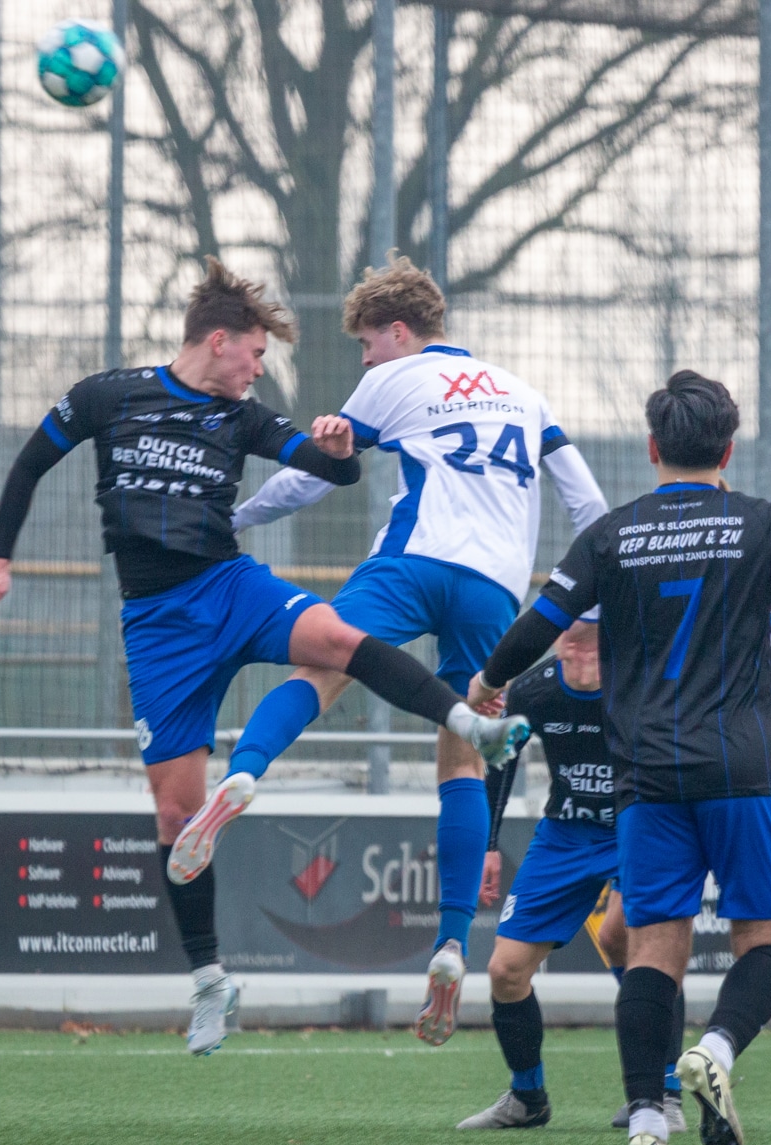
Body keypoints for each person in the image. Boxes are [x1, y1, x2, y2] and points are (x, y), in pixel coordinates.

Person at [0, 256, 527, 1059]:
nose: (259, 369)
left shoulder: (244, 417)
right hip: (157, 625)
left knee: (338, 640)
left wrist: (337, 448)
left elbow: (328, 468)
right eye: (256, 354)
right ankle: (210, 982)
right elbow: (28, 464)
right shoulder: (106, 396)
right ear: (219, 340)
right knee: (174, 815)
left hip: (232, 588)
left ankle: (468, 722)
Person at [469, 370, 771, 1145]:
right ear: (728, 449)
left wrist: (487, 680)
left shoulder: (611, 535)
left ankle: (647, 1126)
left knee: (651, 949)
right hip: (745, 767)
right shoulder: (760, 522)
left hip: (647, 775)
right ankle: (715, 1049)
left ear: (652, 447)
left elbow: (537, 626)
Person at [191, 252, 608, 1045]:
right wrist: (589, 600)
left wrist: (236, 519)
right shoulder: (525, 394)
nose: (363, 361)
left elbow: (314, 475)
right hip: (494, 589)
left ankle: (243, 774)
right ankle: (449, 944)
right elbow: (587, 505)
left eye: (365, 344)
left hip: (412, 563)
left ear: (397, 331)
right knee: (461, 754)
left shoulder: (398, 378)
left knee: (323, 665)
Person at [460, 612, 771, 1136]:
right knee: (506, 970)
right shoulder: (535, 688)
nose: (581, 654)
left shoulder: (648, 681)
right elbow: (500, 757)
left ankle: (673, 1093)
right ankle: (529, 1096)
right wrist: (488, 845)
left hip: (657, 814)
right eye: (573, 642)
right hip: (567, 834)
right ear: (559, 640)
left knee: (676, 937)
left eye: (594, 644)